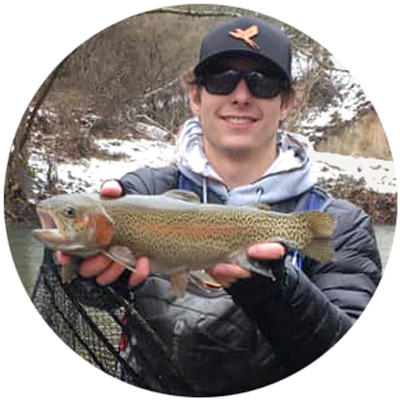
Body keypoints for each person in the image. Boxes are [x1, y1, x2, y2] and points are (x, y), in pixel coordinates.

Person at [57, 16, 382, 396]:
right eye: (221, 79)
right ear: (196, 96)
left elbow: (351, 361)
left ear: (286, 103)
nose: (241, 95)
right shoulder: (143, 192)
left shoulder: (338, 223)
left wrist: (274, 288)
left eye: (262, 82)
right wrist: (76, 265)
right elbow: (93, 294)